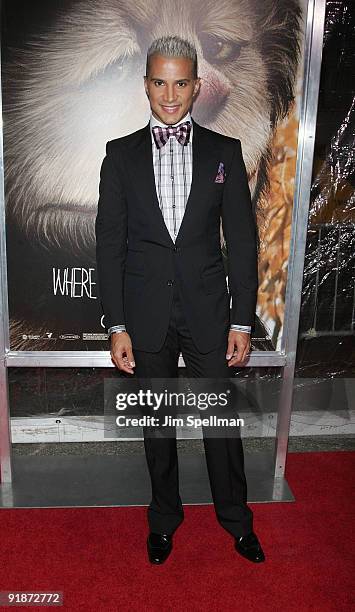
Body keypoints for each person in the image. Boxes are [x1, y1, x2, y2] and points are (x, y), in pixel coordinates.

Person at [95, 35, 265, 564]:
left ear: (197, 86)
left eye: (181, 83)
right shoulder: (118, 156)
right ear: (146, 84)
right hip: (145, 316)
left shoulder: (225, 152)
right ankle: (163, 520)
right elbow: (109, 245)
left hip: (210, 312)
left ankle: (237, 521)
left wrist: (242, 321)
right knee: (158, 428)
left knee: (220, 427)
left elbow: (241, 241)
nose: (170, 94)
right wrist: (116, 324)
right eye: (160, 82)